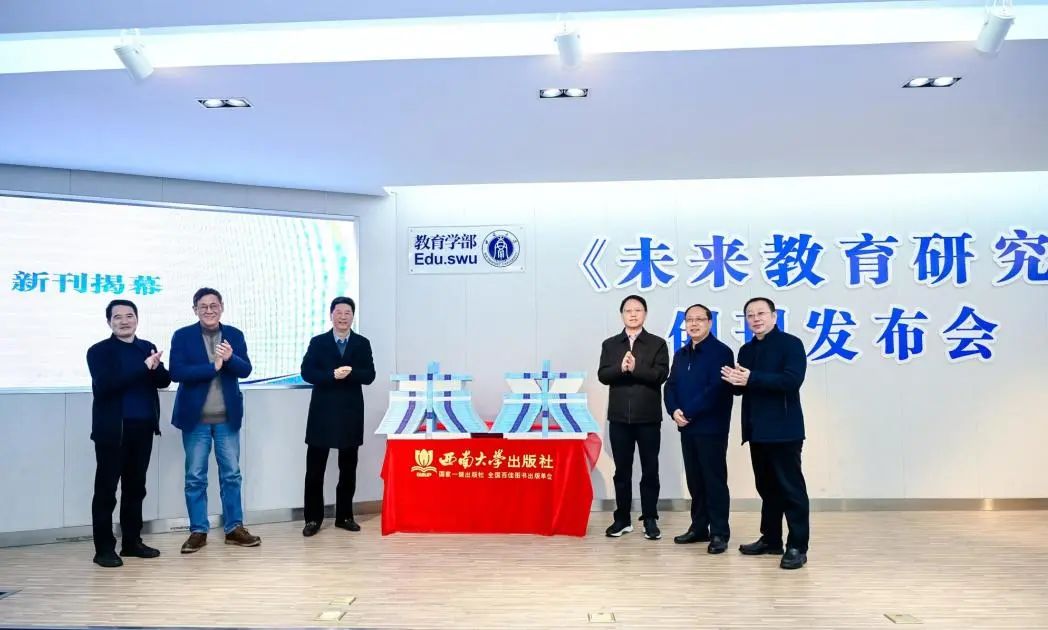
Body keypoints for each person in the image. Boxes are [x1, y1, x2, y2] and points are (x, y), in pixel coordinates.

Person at [721, 297, 810, 570]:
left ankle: (797, 546)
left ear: (774, 316)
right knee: (767, 489)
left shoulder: (791, 344)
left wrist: (751, 378)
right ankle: (771, 540)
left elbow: (792, 380)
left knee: (791, 490)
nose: (755, 319)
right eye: (750, 315)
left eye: (761, 313)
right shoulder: (747, 350)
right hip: (757, 431)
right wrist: (733, 381)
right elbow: (743, 387)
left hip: (784, 431)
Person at [169, 287, 260, 553]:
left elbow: (246, 369)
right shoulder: (182, 335)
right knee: (195, 477)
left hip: (226, 419)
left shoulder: (234, 335)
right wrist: (213, 367)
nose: (209, 310)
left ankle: (234, 528)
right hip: (195, 420)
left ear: (221, 307)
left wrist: (230, 359)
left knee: (231, 475)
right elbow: (176, 372)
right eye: (203, 306)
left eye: (214, 306)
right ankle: (198, 530)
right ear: (195, 309)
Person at [86, 299, 171, 568]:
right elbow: (106, 386)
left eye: (129, 316)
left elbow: (164, 381)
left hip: (143, 429)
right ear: (109, 322)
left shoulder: (146, 347)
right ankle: (103, 549)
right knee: (106, 491)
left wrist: (156, 367)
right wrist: (143, 367)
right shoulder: (99, 351)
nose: (124, 321)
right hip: (113, 432)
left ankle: (132, 542)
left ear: (137, 319)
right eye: (118, 317)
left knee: (136, 489)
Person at [300, 297, 376, 537]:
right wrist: (331, 375)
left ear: (353, 316)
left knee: (348, 469)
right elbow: (307, 372)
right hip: (322, 413)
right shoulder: (318, 342)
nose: (343, 317)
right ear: (331, 315)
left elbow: (369, 375)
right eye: (339, 312)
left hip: (350, 413)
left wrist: (351, 373)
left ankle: (344, 516)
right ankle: (313, 519)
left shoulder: (362, 343)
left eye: (347, 313)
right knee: (315, 470)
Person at [663, 303, 735, 554]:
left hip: (711, 427)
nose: (693, 324)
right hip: (687, 427)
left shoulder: (721, 352)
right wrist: (674, 410)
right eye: (689, 320)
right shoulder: (681, 354)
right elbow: (670, 386)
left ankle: (719, 532)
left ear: (709, 322)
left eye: (699, 319)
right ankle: (699, 527)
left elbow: (716, 389)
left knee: (714, 480)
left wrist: (688, 412)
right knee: (695, 480)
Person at [597, 294, 669, 540]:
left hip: (648, 418)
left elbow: (661, 375)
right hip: (619, 419)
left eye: (638, 310)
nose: (633, 314)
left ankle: (650, 519)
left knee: (650, 469)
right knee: (622, 471)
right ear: (622, 315)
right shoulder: (610, 344)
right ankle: (622, 519)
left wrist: (636, 368)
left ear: (645, 314)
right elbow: (603, 375)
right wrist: (621, 368)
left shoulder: (657, 343)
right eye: (628, 310)